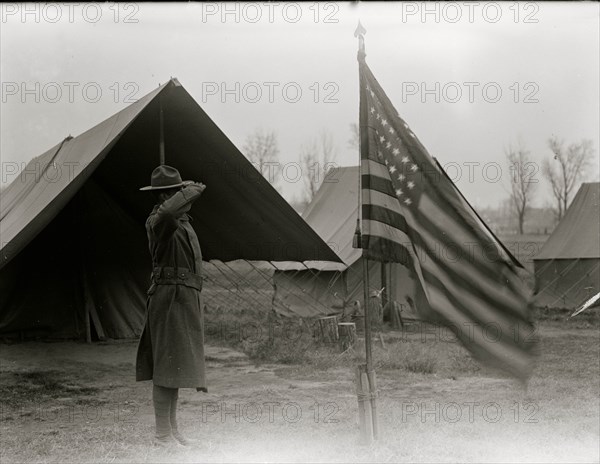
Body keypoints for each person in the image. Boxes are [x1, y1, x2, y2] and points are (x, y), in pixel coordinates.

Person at [136, 164, 207, 448]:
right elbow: (167, 212)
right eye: (177, 194)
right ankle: (161, 435)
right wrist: (193, 188)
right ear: (165, 196)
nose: (184, 198)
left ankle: (172, 430)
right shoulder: (159, 220)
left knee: (175, 368)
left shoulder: (181, 220)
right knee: (166, 368)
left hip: (183, 298)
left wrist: (183, 191)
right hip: (168, 298)